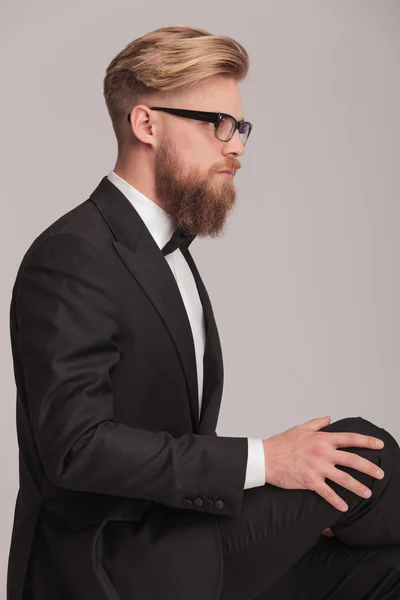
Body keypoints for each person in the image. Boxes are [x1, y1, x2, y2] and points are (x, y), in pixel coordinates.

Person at [6, 24, 400, 600]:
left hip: (185, 538)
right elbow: (76, 446)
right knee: (368, 454)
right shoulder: (73, 254)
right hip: (113, 564)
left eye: (240, 127)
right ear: (146, 123)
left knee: (382, 570)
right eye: (217, 124)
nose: (236, 145)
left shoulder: (169, 250)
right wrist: (266, 461)